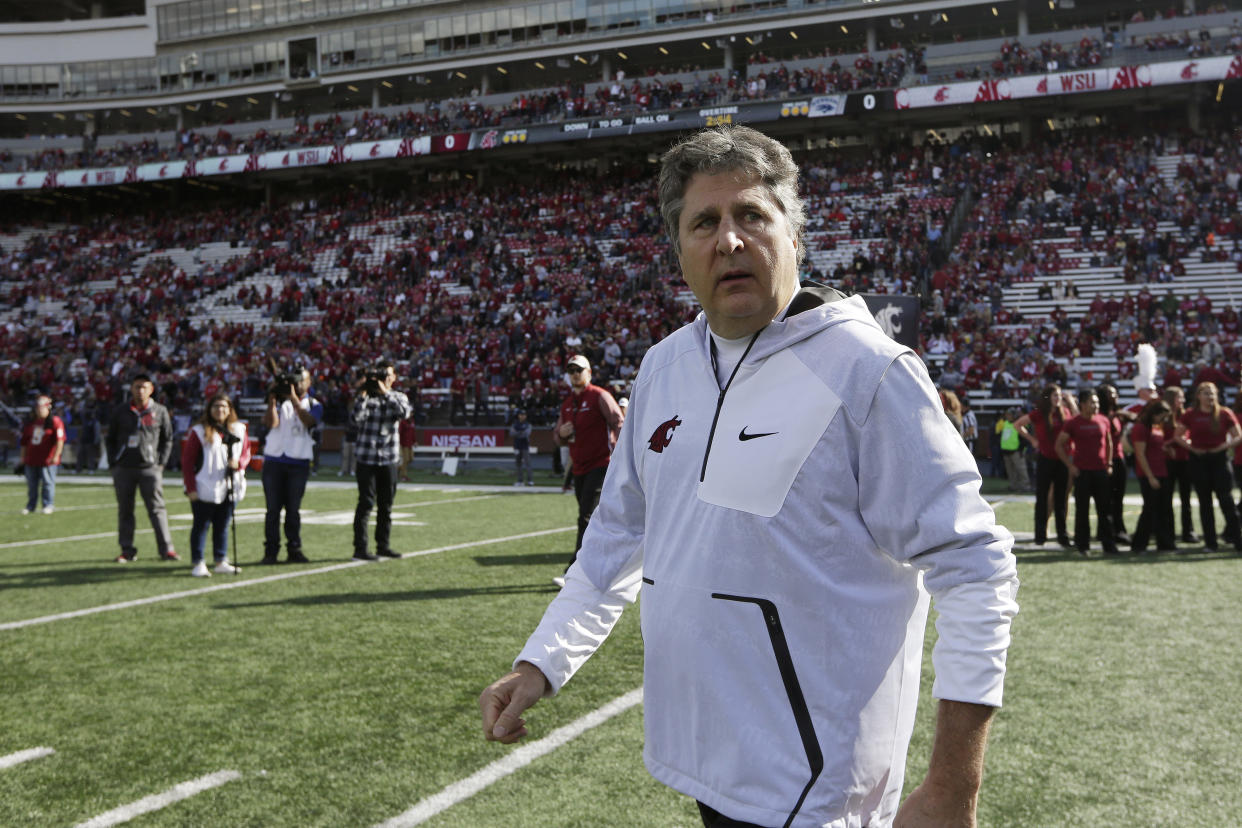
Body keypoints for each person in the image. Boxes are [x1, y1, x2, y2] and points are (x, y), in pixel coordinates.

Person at [479, 126, 1018, 828]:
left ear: (795, 235)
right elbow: (616, 536)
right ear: (679, 252)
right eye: (705, 222)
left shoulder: (869, 372)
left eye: (752, 217)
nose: (729, 241)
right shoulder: (662, 369)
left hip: (823, 792)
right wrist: (540, 663)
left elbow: (976, 568)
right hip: (703, 763)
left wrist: (952, 787)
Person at [552, 353, 623, 586]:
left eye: (579, 370)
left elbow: (619, 422)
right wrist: (561, 434)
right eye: (571, 370)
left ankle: (574, 571)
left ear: (589, 373)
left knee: (585, 516)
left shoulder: (600, 396)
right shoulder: (567, 403)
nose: (574, 374)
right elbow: (558, 435)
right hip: (579, 468)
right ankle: (608, 562)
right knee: (595, 519)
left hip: (601, 463)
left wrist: (623, 456)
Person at [107, 375, 178, 562]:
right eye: (137, 387)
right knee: (125, 510)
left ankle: (166, 549)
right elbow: (110, 438)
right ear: (131, 389)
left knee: (157, 510)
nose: (140, 391)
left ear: (151, 389)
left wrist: (161, 462)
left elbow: (168, 438)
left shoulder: (160, 411)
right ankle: (127, 550)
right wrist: (113, 463)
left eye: (144, 387)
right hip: (124, 468)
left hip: (150, 468)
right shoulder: (121, 411)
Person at [180, 394, 251, 577]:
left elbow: (246, 452)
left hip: (230, 485)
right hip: (204, 486)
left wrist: (239, 463)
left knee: (223, 525)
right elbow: (187, 462)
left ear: (230, 409)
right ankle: (199, 562)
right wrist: (190, 488)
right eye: (216, 407)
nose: (220, 410)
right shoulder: (198, 431)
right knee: (201, 526)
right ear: (209, 409)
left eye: (224, 407)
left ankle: (220, 560)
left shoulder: (239, 429)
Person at [350, 362, 412, 561]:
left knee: (386, 505)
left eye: (388, 374)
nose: (385, 378)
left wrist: (385, 392)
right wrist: (363, 391)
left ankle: (383, 546)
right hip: (367, 458)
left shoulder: (398, 396)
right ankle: (360, 548)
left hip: (388, 459)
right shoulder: (366, 398)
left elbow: (403, 413)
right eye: (382, 374)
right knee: (365, 504)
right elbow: (356, 418)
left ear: (394, 378)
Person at [260, 367, 322, 564]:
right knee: (272, 510)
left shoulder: (313, 403)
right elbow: (271, 423)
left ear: (309, 383)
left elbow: (309, 422)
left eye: (301, 381)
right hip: (274, 460)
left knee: (293, 510)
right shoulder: (279, 402)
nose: (296, 385)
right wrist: (272, 399)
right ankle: (271, 551)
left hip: (298, 462)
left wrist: (294, 399)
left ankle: (294, 549)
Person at [1176, 382, 1242, 552]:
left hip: (1219, 460)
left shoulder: (1225, 413)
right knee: (1205, 503)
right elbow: (1178, 436)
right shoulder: (1191, 414)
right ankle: (1210, 543)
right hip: (1199, 461)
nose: (1210, 397)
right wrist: (1193, 448)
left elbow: (1238, 436)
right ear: (1198, 396)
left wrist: (1223, 447)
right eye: (1206, 393)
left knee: (1226, 501)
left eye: (1212, 393)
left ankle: (1237, 540)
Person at [1056, 389, 1119, 557]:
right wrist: (1070, 466)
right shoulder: (1073, 422)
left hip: (1101, 471)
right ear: (1082, 404)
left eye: (1097, 402)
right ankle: (1083, 545)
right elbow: (1059, 445)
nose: (1096, 405)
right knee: (1082, 510)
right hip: (1082, 472)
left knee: (1104, 510)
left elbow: (1109, 442)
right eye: (1092, 402)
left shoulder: (1103, 420)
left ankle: (1108, 544)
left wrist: (1109, 463)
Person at [1014, 384, 1075, 547]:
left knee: (1061, 499)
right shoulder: (1039, 413)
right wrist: (1033, 440)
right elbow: (1018, 425)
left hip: (1062, 459)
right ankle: (1040, 535)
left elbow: (1075, 422)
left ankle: (1062, 535)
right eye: (1055, 396)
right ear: (1048, 397)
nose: (1059, 399)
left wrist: (1070, 402)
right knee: (1042, 498)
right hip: (1045, 459)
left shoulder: (1065, 412)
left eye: (1060, 396)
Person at [1129, 400, 1177, 554]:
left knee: (1163, 510)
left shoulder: (1157, 428)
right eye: (1161, 417)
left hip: (1161, 471)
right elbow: (1140, 454)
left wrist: (1166, 450)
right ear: (1154, 414)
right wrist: (1150, 477)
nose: (1163, 421)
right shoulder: (1141, 428)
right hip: (1149, 474)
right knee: (1149, 510)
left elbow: (1156, 447)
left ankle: (1164, 544)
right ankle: (1139, 545)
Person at [1161, 386, 1198, 543]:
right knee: (1166, 498)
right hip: (1167, 461)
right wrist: (1171, 442)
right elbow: (1158, 439)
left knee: (1186, 498)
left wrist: (1177, 441)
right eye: (1179, 398)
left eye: (1183, 398)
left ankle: (1188, 532)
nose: (1182, 401)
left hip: (1185, 460)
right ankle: (1167, 532)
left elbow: (1187, 436)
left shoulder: (1186, 415)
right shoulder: (1163, 416)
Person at [20, 395, 64, 515]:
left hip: (47, 460)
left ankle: (48, 504)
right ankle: (31, 506)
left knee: (48, 483)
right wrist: (22, 457)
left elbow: (60, 440)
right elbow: (24, 442)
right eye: (38, 408)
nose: (39, 410)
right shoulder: (31, 423)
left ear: (48, 408)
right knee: (31, 485)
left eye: (42, 408)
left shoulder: (55, 421)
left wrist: (56, 456)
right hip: (31, 459)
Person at [1096, 383, 1130, 545]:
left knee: (1118, 498)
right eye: (1111, 393)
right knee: (1106, 498)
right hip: (1105, 460)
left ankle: (1118, 529)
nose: (1115, 396)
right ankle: (1106, 530)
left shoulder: (1116, 414)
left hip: (1119, 457)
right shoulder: (1100, 415)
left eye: (1116, 393)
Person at [996, 407, 1029, 492]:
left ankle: (1025, 486)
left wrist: (1021, 449)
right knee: (1010, 471)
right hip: (1006, 451)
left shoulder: (1019, 424)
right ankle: (1013, 485)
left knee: (1021, 469)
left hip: (1016, 451)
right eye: (1007, 414)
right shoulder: (1006, 423)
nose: (1007, 416)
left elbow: (1024, 438)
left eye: (1009, 414)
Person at [509, 408, 534, 486]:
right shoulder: (515, 424)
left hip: (525, 446)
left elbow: (527, 433)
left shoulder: (528, 424)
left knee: (527, 463)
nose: (522, 416)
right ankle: (520, 481)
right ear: (518, 416)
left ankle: (530, 480)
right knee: (518, 464)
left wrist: (518, 433)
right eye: (521, 415)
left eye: (524, 415)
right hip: (517, 445)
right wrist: (521, 432)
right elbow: (512, 433)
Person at [398, 413, 417, 482]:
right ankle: (404, 476)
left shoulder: (412, 421)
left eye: (411, 413)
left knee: (411, 459)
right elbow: (399, 432)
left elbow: (413, 432)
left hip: (410, 444)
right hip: (403, 444)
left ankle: (398, 469)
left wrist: (414, 441)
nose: (411, 415)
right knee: (405, 460)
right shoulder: (402, 422)